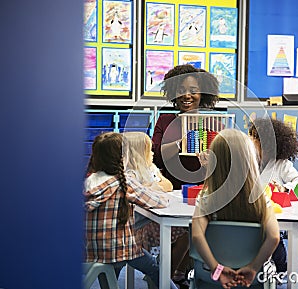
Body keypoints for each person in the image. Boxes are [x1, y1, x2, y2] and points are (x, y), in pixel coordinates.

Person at [84, 132, 178, 289]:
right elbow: (159, 201)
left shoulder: (89, 181)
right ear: (124, 157)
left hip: (92, 250)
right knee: (154, 268)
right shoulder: (124, 182)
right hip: (119, 249)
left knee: (111, 269)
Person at [192, 129, 280, 288]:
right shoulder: (261, 200)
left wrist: (217, 269)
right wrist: (253, 268)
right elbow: (274, 237)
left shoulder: (206, 199)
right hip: (253, 278)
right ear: (250, 160)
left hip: (210, 276)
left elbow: (197, 236)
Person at [248, 117, 298, 273]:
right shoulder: (247, 162)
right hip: (252, 215)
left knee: (273, 236)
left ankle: (281, 268)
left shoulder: (282, 164)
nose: (249, 140)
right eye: (250, 135)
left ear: (268, 143)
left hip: (274, 216)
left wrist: (284, 188)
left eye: (254, 137)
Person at [152, 63, 219, 190]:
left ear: (203, 95)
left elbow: (223, 163)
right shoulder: (165, 121)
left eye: (193, 91)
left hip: (204, 192)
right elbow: (155, 158)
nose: (187, 95)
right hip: (171, 191)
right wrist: (180, 144)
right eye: (181, 91)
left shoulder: (214, 125)